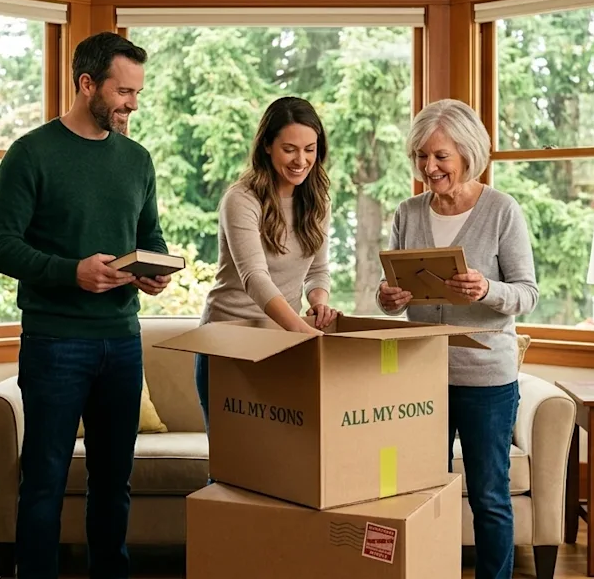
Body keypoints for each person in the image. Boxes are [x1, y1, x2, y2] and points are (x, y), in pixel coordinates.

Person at [0, 31, 171, 579]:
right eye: (123, 91)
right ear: (87, 83)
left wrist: (149, 272)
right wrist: (72, 272)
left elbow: (149, 236)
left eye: (137, 92)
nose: (132, 103)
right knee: (44, 479)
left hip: (122, 341)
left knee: (114, 482)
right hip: (55, 343)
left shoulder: (137, 160)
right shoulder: (31, 154)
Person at [376, 98, 537, 579]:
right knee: (422, 490)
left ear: (467, 154)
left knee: (489, 495)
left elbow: (527, 294)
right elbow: (394, 299)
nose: (429, 167)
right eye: (422, 156)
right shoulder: (408, 212)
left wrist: (487, 289)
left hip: (487, 379)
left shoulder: (502, 211)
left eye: (440, 156)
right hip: (422, 373)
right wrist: (389, 298)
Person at [195, 96, 339, 434]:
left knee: (276, 462)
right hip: (228, 341)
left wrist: (319, 303)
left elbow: (317, 270)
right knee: (232, 466)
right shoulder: (241, 199)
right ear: (267, 148)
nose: (300, 160)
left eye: (310, 149)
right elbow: (254, 278)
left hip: (280, 341)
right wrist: (303, 330)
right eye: (289, 149)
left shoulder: (316, 199)